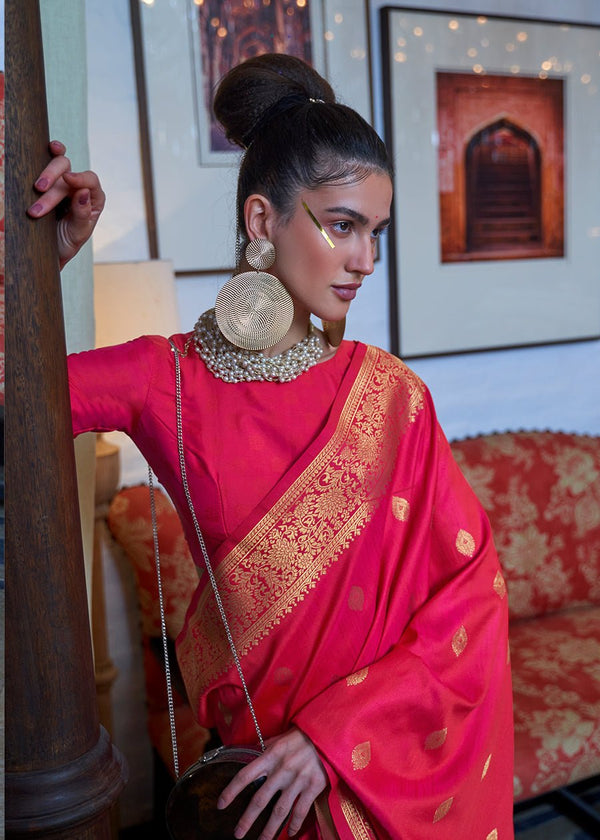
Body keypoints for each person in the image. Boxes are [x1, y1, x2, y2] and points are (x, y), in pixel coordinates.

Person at [29, 54, 514, 840]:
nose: (366, 261)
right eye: (343, 225)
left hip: (372, 769)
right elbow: (16, 401)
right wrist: (38, 269)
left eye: (376, 233)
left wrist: (335, 739)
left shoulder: (394, 397)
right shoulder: (161, 379)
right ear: (263, 222)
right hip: (254, 790)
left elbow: (471, 596)